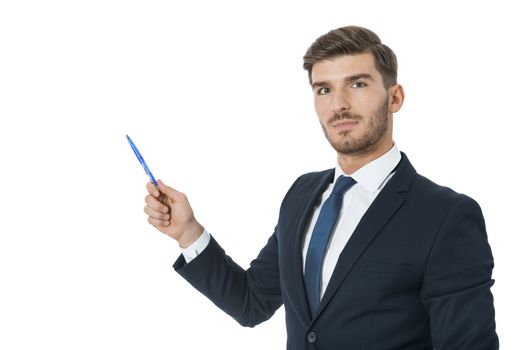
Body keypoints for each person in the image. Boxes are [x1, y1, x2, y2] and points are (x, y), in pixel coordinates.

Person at [143, 26, 498, 349]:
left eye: (357, 84)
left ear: (395, 98)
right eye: (324, 89)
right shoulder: (302, 194)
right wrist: (189, 233)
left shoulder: (446, 216)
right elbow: (252, 302)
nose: (339, 104)